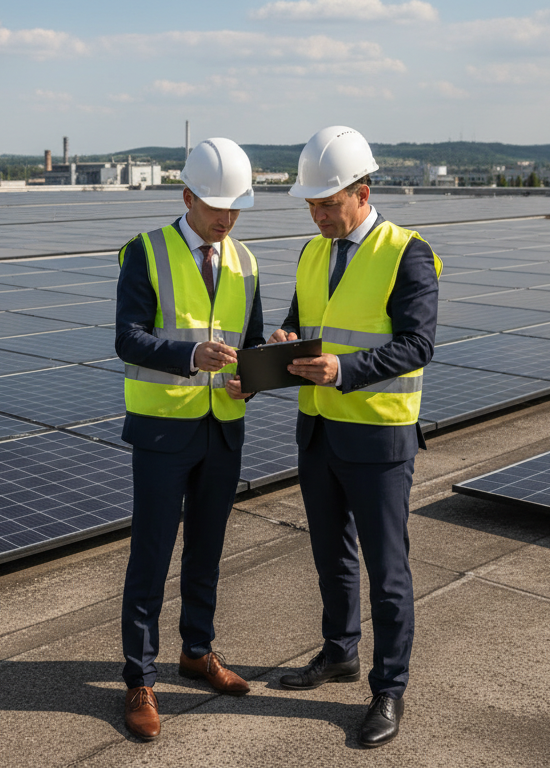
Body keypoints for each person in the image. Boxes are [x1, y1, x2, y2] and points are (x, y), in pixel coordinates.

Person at [270, 126, 441, 748]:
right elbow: (299, 323)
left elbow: (417, 344)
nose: (316, 214)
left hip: (376, 439)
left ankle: (388, 690)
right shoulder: (313, 251)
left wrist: (343, 369)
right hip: (317, 432)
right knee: (330, 555)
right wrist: (285, 342)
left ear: (362, 193)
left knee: (387, 570)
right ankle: (339, 652)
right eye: (310, 204)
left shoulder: (407, 252)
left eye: (327, 203)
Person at [114, 137, 266, 742]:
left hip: (223, 429)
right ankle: (139, 677)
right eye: (216, 207)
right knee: (151, 555)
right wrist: (190, 355)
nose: (227, 218)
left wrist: (253, 377)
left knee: (207, 549)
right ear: (187, 198)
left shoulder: (247, 261)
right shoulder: (145, 253)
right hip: (162, 429)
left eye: (235, 208)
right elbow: (127, 339)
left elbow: (249, 345)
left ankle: (197, 652)